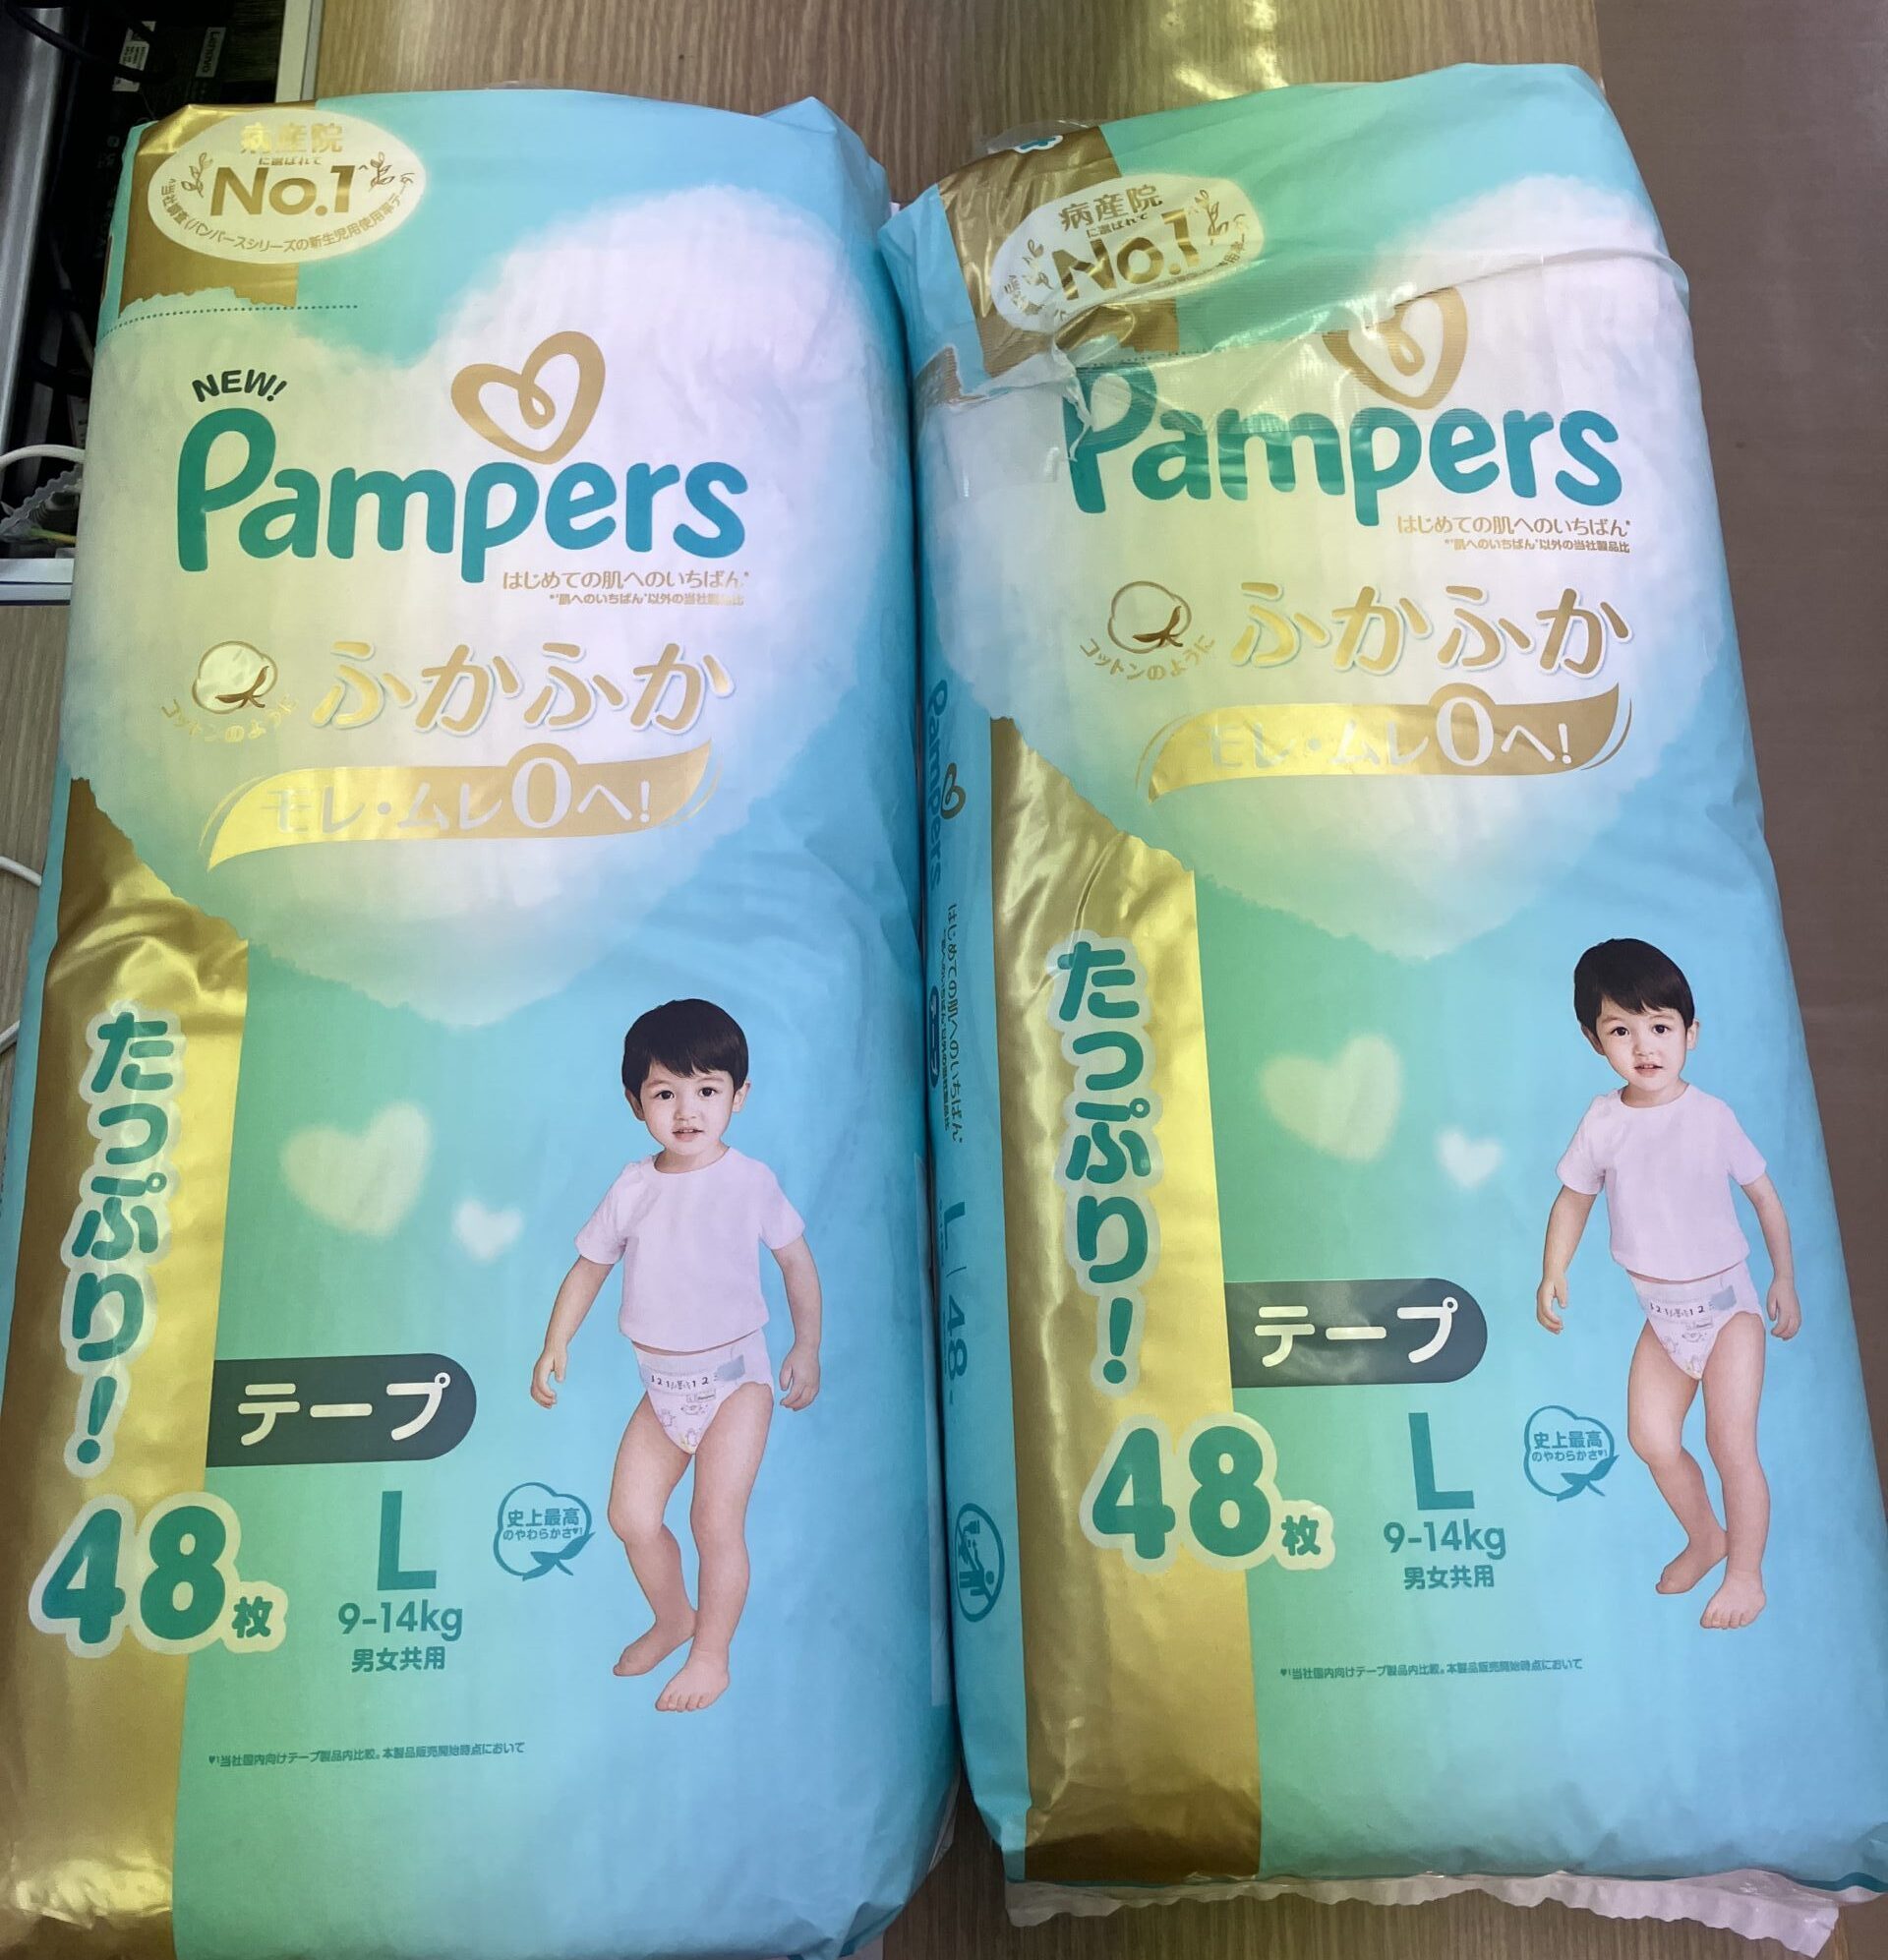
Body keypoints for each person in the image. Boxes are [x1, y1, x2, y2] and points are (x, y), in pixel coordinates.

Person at [532, 998, 821, 1707]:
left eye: (707, 1090)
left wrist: (806, 1345)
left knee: (713, 1521)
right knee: (630, 1517)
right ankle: (673, 1618)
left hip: (736, 1380)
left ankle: (712, 1656)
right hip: (662, 1385)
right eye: (665, 1093)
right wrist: (555, 1340)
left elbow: (796, 1263)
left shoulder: (749, 1181)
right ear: (636, 1103)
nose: (687, 1110)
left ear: (738, 1096)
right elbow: (590, 1267)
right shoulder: (634, 1186)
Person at [1537, 939, 1799, 1629]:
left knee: (1729, 1444)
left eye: (1659, 1026)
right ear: (1593, 1039)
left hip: (1729, 1308)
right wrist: (1553, 1268)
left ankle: (1746, 1575)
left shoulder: (1710, 1116)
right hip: (1662, 1316)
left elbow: (1764, 1196)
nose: (1644, 1046)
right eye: (1621, 1030)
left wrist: (1784, 1278)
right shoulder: (1603, 1121)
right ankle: (1706, 1536)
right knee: (1652, 1439)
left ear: (1691, 1033)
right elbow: (1573, 1198)